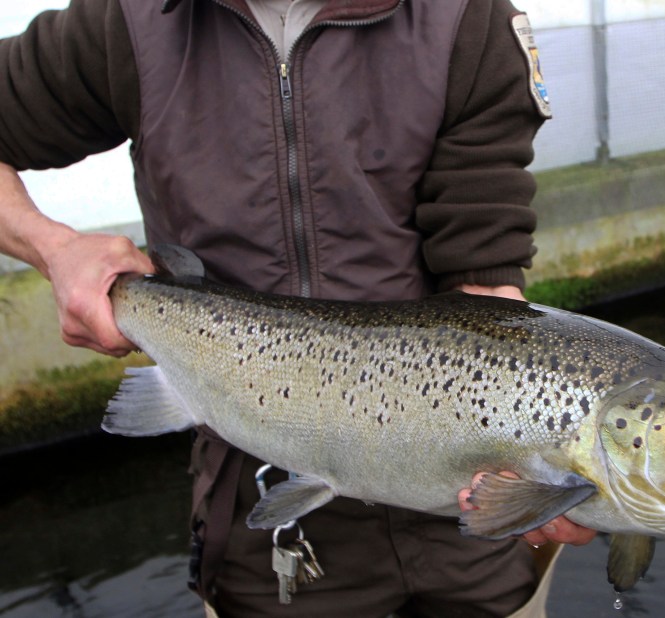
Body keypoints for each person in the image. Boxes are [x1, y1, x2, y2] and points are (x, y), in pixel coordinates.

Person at [0, 1, 595, 616]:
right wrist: (53, 248)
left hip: (468, 514)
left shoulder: (468, 17)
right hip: (266, 515)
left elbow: (486, 287)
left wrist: (549, 467)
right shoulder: (126, 19)